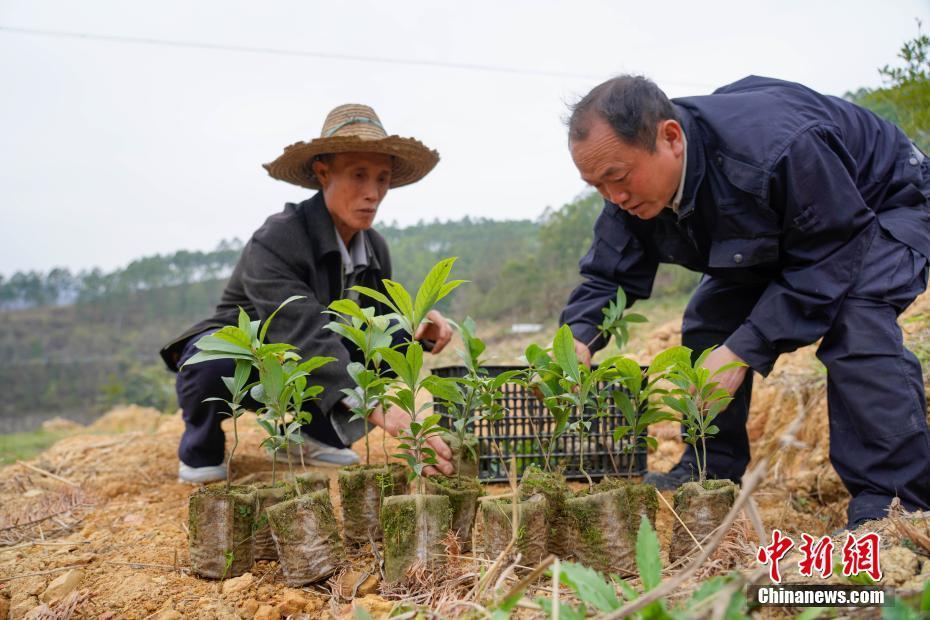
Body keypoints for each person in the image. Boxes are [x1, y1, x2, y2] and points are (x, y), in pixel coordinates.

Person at [560, 75, 930, 529]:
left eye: (617, 178)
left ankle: (895, 506)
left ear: (670, 138)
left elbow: (832, 251)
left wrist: (743, 351)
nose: (613, 197)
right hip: (787, 227)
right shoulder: (627, 191)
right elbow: (608, 273)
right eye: (595, 185)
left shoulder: (776, 147)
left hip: (882, 203)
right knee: (709, 319)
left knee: (856, 320)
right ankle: (709, 468)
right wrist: (576, 340)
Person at [160, 103, 455, 483]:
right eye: (358, 175)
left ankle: (315, 434)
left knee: (392, 333)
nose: (373, 193)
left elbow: (377, 323)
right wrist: (384, 410)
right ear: (322, 173)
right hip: (257, 354)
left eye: (382, 178)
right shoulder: (279, 237)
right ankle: (200, 448)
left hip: (310, 358)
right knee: (208, 361)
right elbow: (302, 329)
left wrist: (418, 325)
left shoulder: (374, 248)